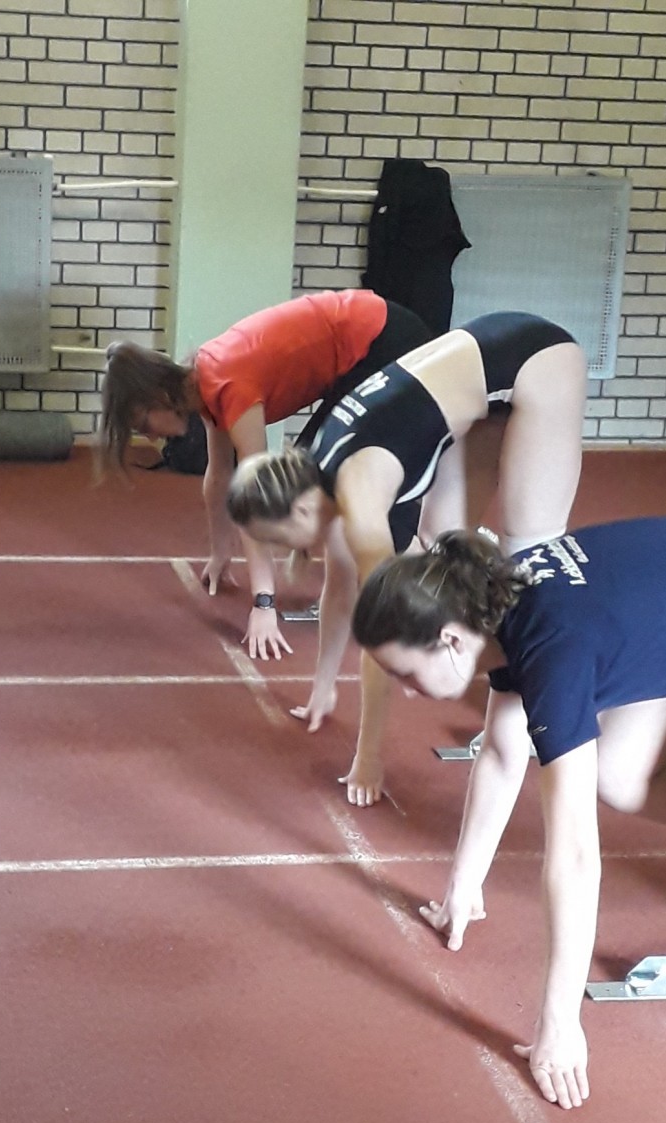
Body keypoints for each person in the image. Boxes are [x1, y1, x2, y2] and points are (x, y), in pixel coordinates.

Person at [350, 515, 666, 1110]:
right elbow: (502, 752)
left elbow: (576, 856)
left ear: (451, 639)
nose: (404, 690)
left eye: (404, 672)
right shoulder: (498, 600)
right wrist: (463, 887)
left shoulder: (553, 652)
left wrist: (559, 1025)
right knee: (620, 773)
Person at [225, 311, 587, 805]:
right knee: (444, 545)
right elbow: (340, 589)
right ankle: (510, 686)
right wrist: (323, 687)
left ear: (301, 509)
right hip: (480, 370)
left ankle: (541, 707)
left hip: (538, 359)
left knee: (531, 551)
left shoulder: (357, 493)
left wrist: (367, 756)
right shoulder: (314, 467)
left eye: (279, 539)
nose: (287, 551)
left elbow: (383, 628)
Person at [101, 290, 430, 659]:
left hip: (385, 339)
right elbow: (219, 475)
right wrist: (220, 553)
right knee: (309, 472)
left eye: (143, 424)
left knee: (328, 477)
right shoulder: (202, 384)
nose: (149, 437)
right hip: (364, 345)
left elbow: (255, 496)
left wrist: (264, 603)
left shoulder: (227, 384)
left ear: (161, 398)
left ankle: (420, 575)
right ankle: (386, 570)